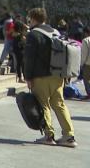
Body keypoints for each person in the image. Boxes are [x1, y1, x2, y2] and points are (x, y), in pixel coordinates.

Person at [24, 8, 76, 147]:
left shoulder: (33, 35)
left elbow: (29, 58)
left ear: (33, 19)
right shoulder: (55, 32)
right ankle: (69, 136)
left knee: (43, 105)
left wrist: (27, 76)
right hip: (58, 75)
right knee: (60, 105)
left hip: (40, 76)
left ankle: (49, 136)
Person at [11, 18, 28, 83]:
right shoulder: (17, 34)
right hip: (19, 49)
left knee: (22, 63)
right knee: (20, 63)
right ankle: (20, 78)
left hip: (19, 49)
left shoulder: (18, 33)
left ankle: (23, 77)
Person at [80, 27, 90, 100]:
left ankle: (89, 94)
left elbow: (84, 54)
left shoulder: (85, 40)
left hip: (88, 64)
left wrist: (81, 64)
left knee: (86, 80)